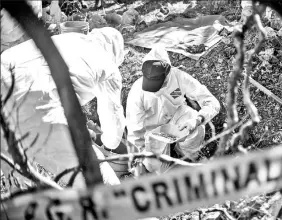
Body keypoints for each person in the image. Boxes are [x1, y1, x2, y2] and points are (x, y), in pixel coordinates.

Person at [0, 27, 126, 188]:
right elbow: (113, 136)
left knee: (16, 176)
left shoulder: (70, 38)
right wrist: (104, 140)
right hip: (33, 103)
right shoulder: (108, 65)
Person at [126, 45, 220, 172]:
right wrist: (138, 158)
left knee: (195, 125)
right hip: (152, 132)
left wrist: (197, 120)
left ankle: (187, 156)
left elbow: (212, 103)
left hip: (177, 121)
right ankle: (166, 166)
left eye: (160, 84)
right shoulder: (137, 93)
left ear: (168, 74)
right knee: (153, 165)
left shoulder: (179, 77)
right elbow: (134, 132)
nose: (157, 90)